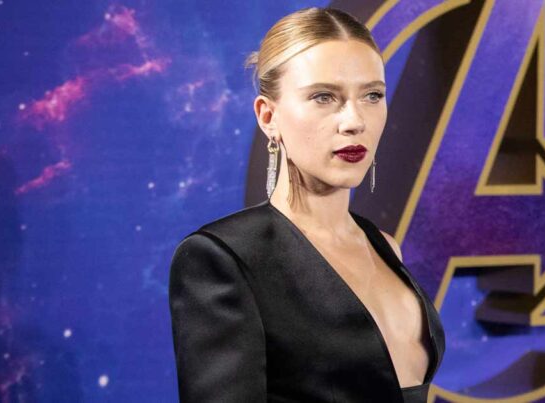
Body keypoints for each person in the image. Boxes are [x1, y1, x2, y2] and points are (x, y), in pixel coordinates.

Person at [168, 7, 445, 402]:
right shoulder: (223, 260)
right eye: (323, 97)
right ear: (268, 116)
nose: (354, 121)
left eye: (372, 95)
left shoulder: (383, 246)